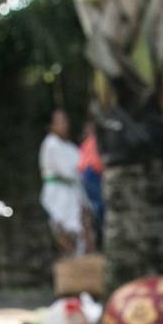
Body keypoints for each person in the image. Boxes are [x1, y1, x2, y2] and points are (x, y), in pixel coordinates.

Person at [39, 109, 91, 254]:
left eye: (65, 121)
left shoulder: (70, 146)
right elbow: (69, 171)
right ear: (52, 125)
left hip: (73, 192)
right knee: (63, 229)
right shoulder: (51, 144)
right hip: (58, 194)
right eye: (60, 121)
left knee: (83, 226)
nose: (65, 125)